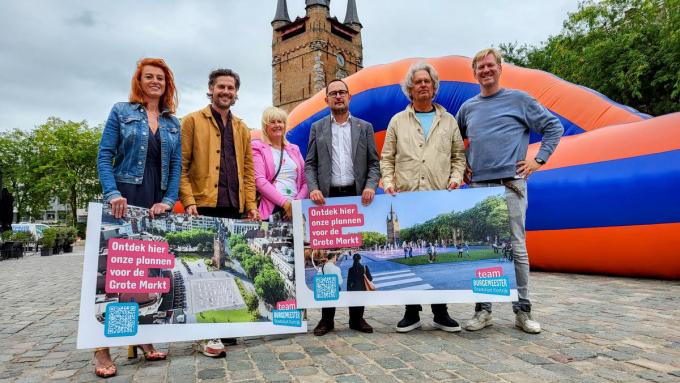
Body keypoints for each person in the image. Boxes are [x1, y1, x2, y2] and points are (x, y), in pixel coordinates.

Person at [457, 48, 563, 334]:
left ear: (500, 68)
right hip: (478, 187)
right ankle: (483, 311)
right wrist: (463, 165)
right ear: (474, 73)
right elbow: (454, 142)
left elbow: (554, 127)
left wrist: (538, 159)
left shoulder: (520, 100)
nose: (486, 70)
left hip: (511, 185)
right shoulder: (467, 108)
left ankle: (523, 311)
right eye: (480, 67)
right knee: (483, 251)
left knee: (517, 249)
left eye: (491, 65)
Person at [95, 57, 178, 378]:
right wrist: (112, 193)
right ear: (139, 81)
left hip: (155, 202)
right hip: (124, 199)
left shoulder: (173, 122)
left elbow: (174, 168)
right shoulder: (121, 112)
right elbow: (105, 154)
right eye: (149, 77)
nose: (155, 81)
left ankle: (143, 337)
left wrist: (169, 200)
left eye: (160, 77)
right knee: (117, 272)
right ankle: (101, 348)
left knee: (145, 271)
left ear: (166, 83)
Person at [380, 61, 466, 334]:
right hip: (407, 196)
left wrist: (455, 179)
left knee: (436, 256)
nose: (423, 85)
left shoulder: (449, 121)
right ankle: (411, 312)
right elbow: (387, 158)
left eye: (427, 81)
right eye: (418, 82)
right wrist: (389, 183)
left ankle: (441, 312)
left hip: (439, 194)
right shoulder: (397, 121)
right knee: (414, 255)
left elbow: (458, 157)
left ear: (434, 86)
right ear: (410, 88)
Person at [179, 68, 258, 357]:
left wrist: (250, 206)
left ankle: (225, 326)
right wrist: (188, 201)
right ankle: (207, 333)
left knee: (227, 263)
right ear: (210, 89)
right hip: (203, 204)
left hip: (233, 205)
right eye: (220, 87)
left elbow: (248, 171)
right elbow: (181, 166)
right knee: (208, 266)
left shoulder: (242, 128)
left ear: (236, 93)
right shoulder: (190, 122)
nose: (225, 92)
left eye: (231, 88)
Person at [305, 78, 380, 335]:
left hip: (357, 197)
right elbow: (310, 164)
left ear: (349, 97)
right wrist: (313, 187)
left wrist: (371, 185)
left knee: (353, 261)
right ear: (326, 99)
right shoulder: (317, 127)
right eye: (333, 93)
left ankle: (357, 317)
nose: (338, 96)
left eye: (342, 93)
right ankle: (327, 318)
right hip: (327, 199)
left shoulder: (365, 127)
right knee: (328, 261)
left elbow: (374, 163)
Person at [251, 107, 308, 221]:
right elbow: (259, 180)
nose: (277, 125)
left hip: (295, 208)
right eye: (272, 122)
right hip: (272, 208)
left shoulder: (294, 149)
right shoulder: (257, 147)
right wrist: (285, 204)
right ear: (265, 127)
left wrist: (295, 205)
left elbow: (305, 181)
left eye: (280, 121)